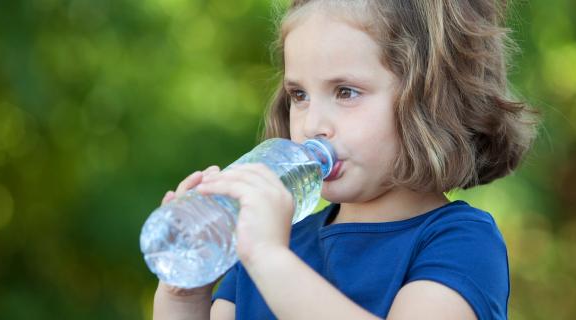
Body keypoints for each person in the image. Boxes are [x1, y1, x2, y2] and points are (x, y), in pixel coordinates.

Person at [153, 0, 537, 319]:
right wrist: (183, 295)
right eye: (299, 96)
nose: (313, 125)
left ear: (430, 101)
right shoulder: (274, 240)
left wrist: (270, 259)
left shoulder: (460, 241)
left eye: (346, 91)